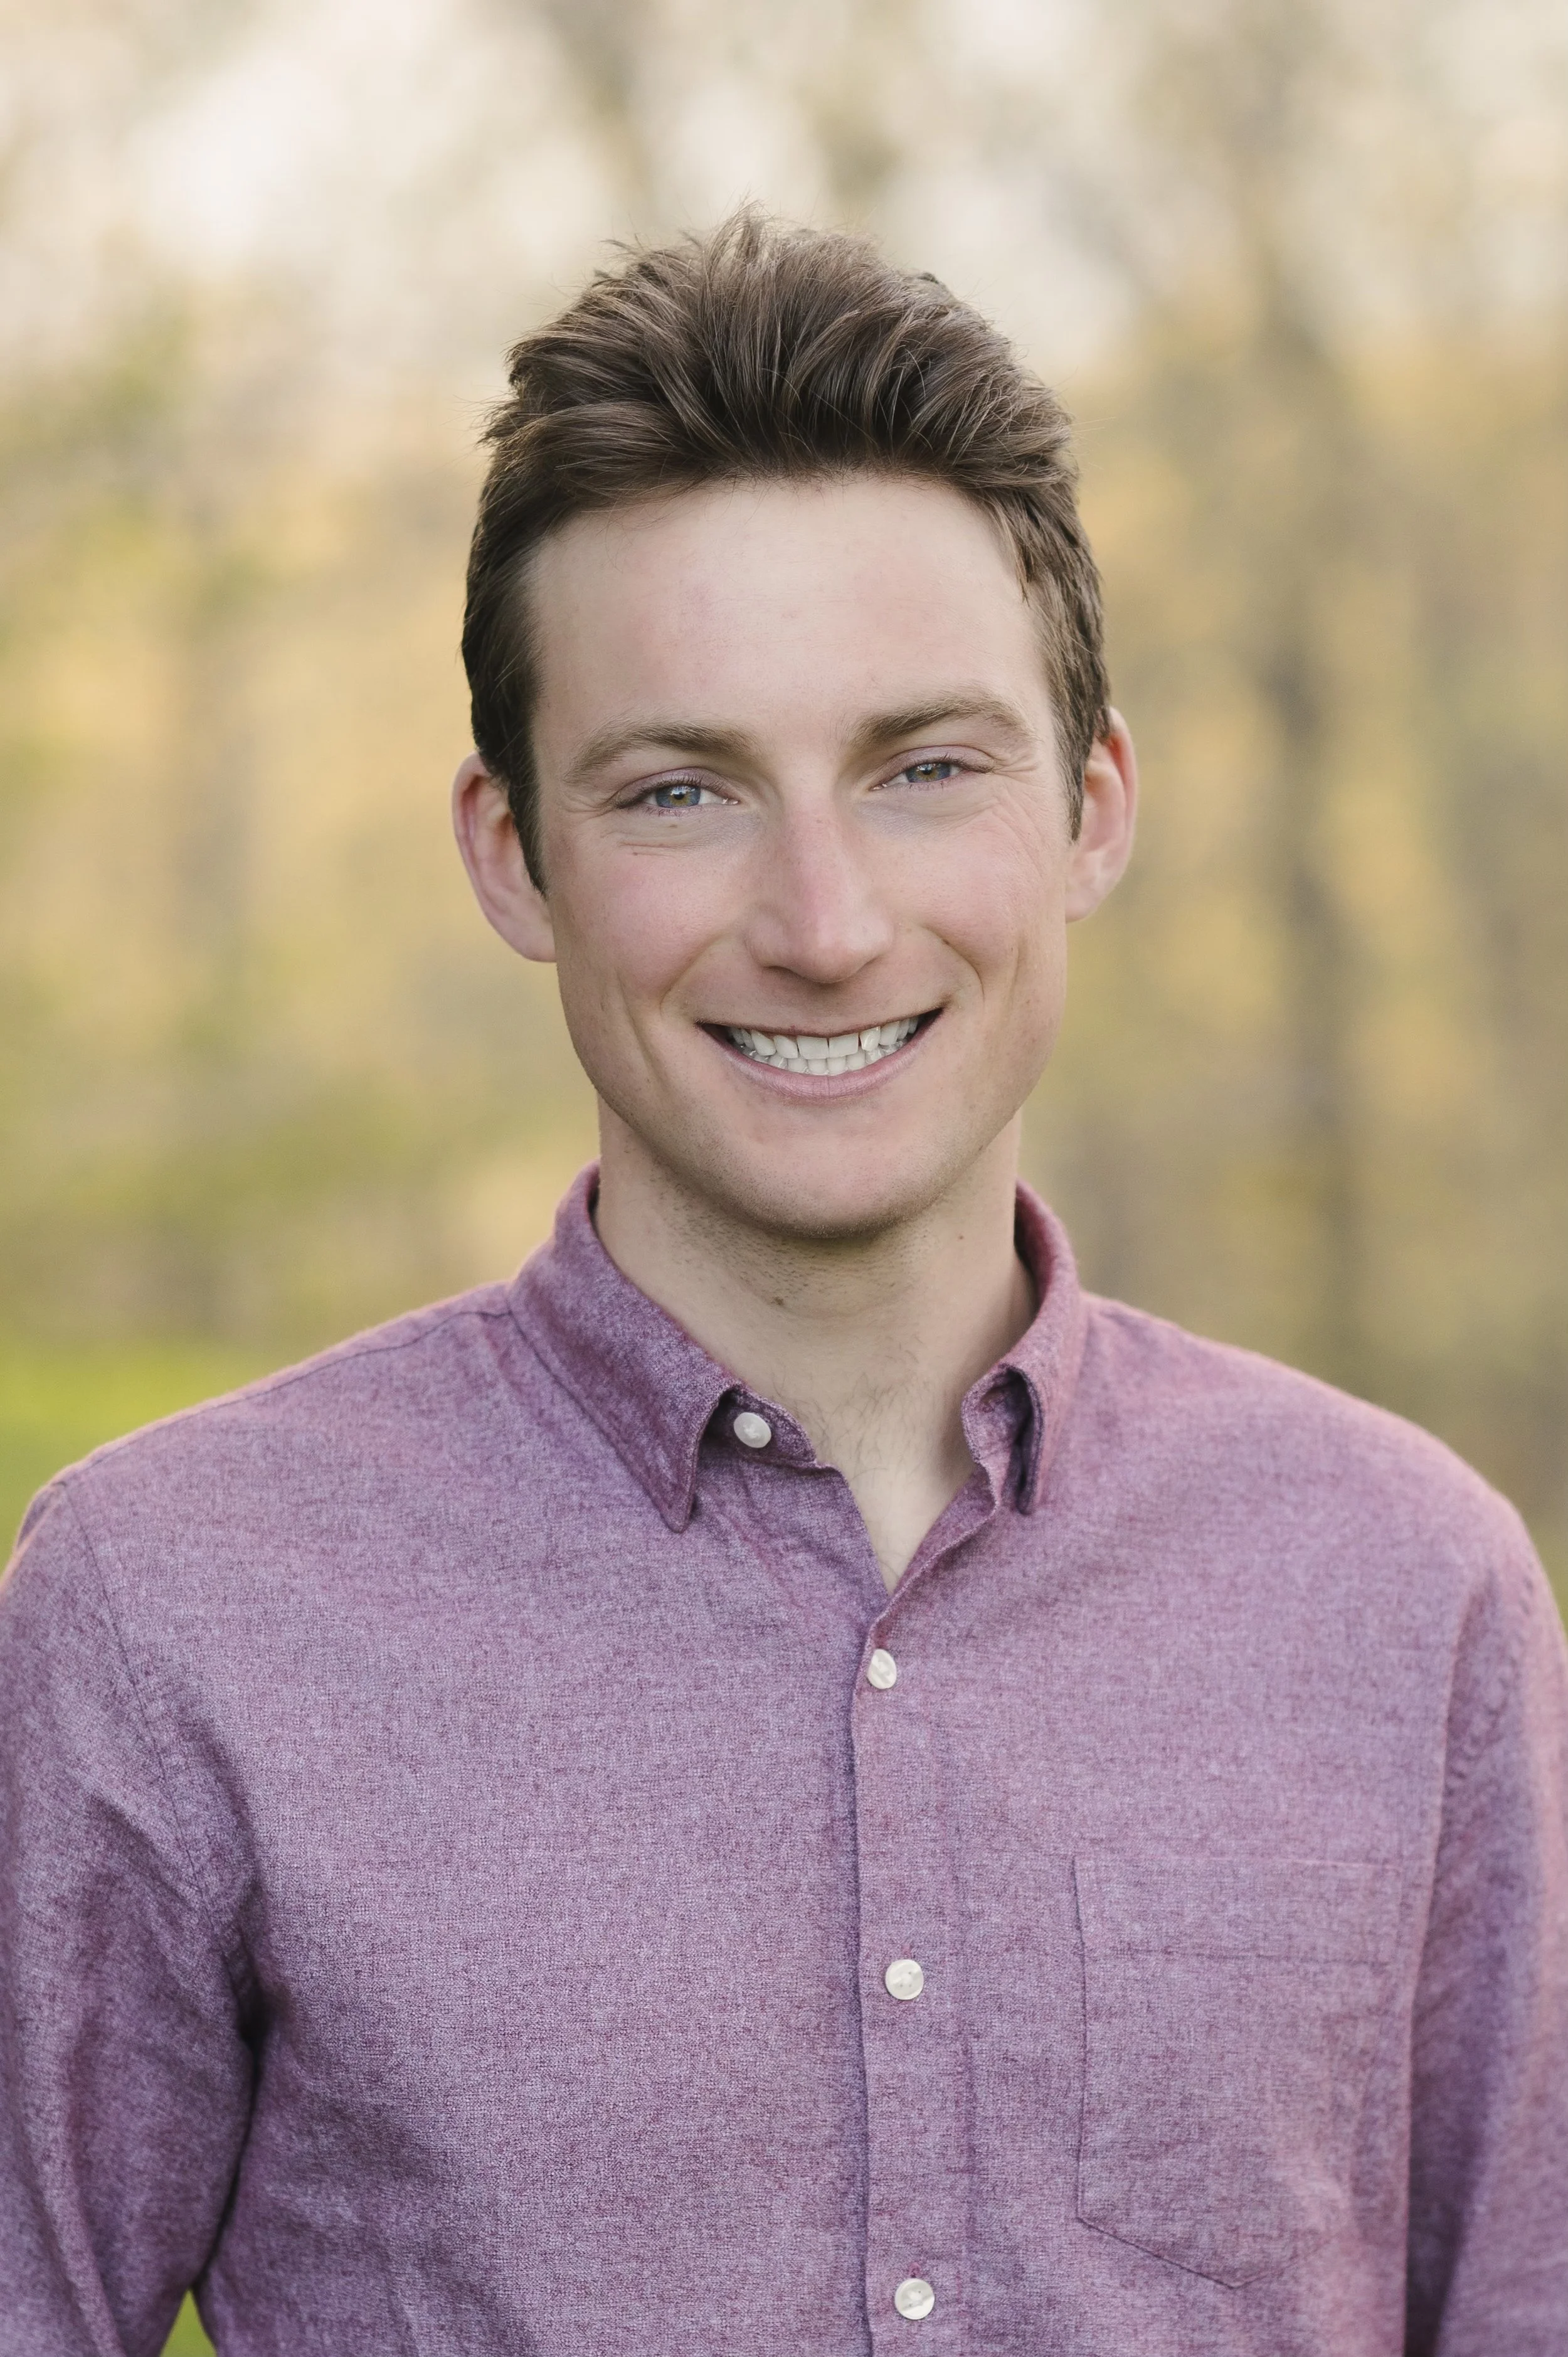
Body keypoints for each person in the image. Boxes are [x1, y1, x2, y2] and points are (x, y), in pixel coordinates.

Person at [1, 213, 1564, 2357]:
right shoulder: (172, 1602)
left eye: (924, 769)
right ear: (510, 853)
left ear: (1092, 807)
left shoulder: (1408, 1593)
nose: (823, 923)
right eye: (680, 790)